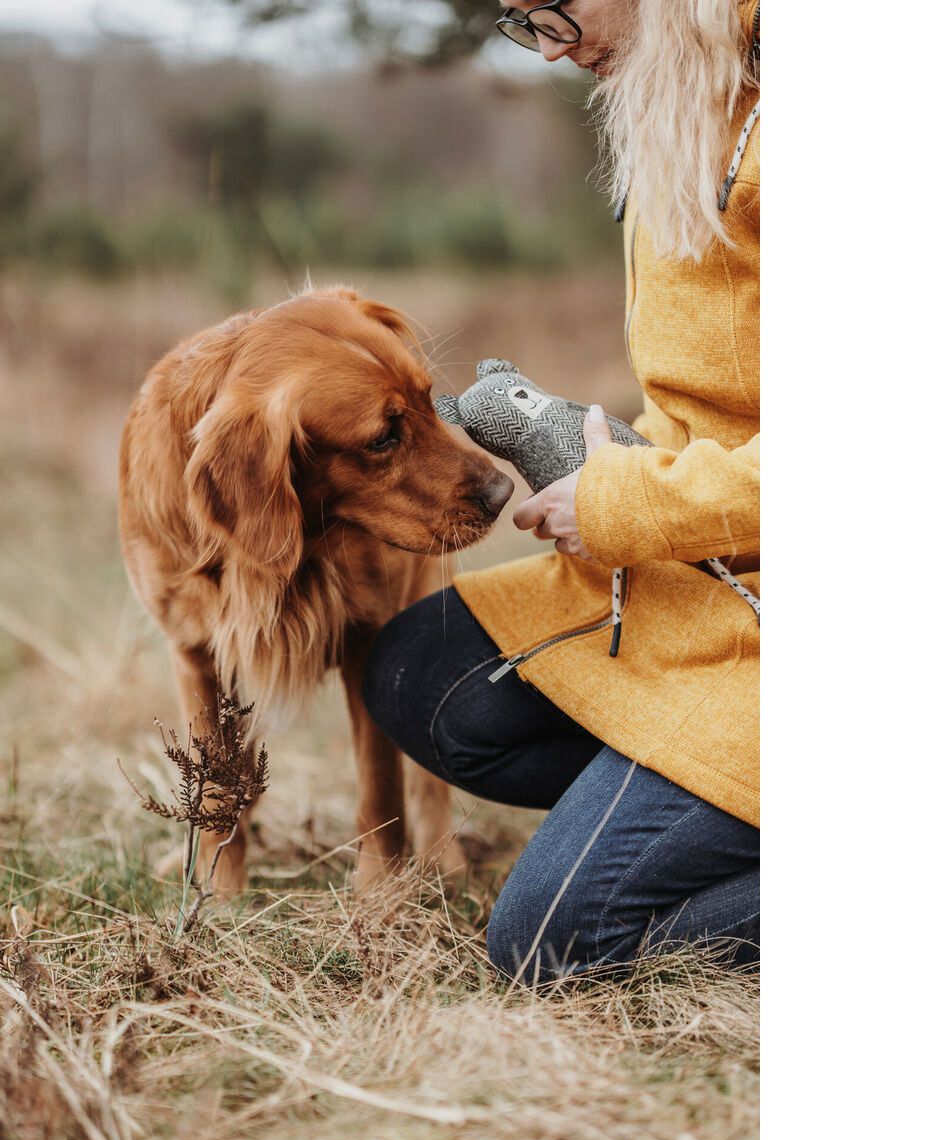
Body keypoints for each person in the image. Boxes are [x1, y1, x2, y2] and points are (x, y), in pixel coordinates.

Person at [361, 0, 760, 983]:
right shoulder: (692, 103)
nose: (549, 49)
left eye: (555, 10)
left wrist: (627, 504)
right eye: (517, 21)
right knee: (419, 675)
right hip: (712, 572)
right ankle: (687, 793)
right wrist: (602, 451)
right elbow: (722, 400)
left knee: (549, 942)